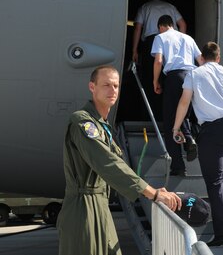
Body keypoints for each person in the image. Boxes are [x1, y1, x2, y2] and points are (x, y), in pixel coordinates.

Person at [57, 65, 181, 255]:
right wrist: (152, 193)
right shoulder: (82, 122)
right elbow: (108, 163)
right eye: (106, 85)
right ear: (92, 87)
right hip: (83, 210)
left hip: (101, 206)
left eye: (116, 86)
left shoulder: (103, 125)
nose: (112, 90)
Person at [172, 42, 223, 247]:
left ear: (201, 58)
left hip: (212, 132)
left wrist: (176, 128)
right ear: (218, 57)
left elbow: (184, 101)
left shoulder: (195, 74)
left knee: (214, 183)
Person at [151, 15, 203, 176]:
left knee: (170, 122)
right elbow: (201, 60)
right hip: (192, 76)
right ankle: (189, 138)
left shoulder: (160, 37)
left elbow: (158, 61)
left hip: (174, 77)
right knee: (183, 115)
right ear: (173, 24)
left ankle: (178, 167)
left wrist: (155, 81)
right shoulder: (188, 38)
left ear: (160, 26)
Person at [132, 0, 186, 120]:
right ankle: (168, 116)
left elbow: (138, 28)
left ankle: (148, 116)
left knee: (149, 80)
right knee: (170, 77)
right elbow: (183, 24)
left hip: (151, 41)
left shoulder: (145, 7)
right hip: (172, 43)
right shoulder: (171, 7)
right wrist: (180, 40)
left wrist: (134, 50)